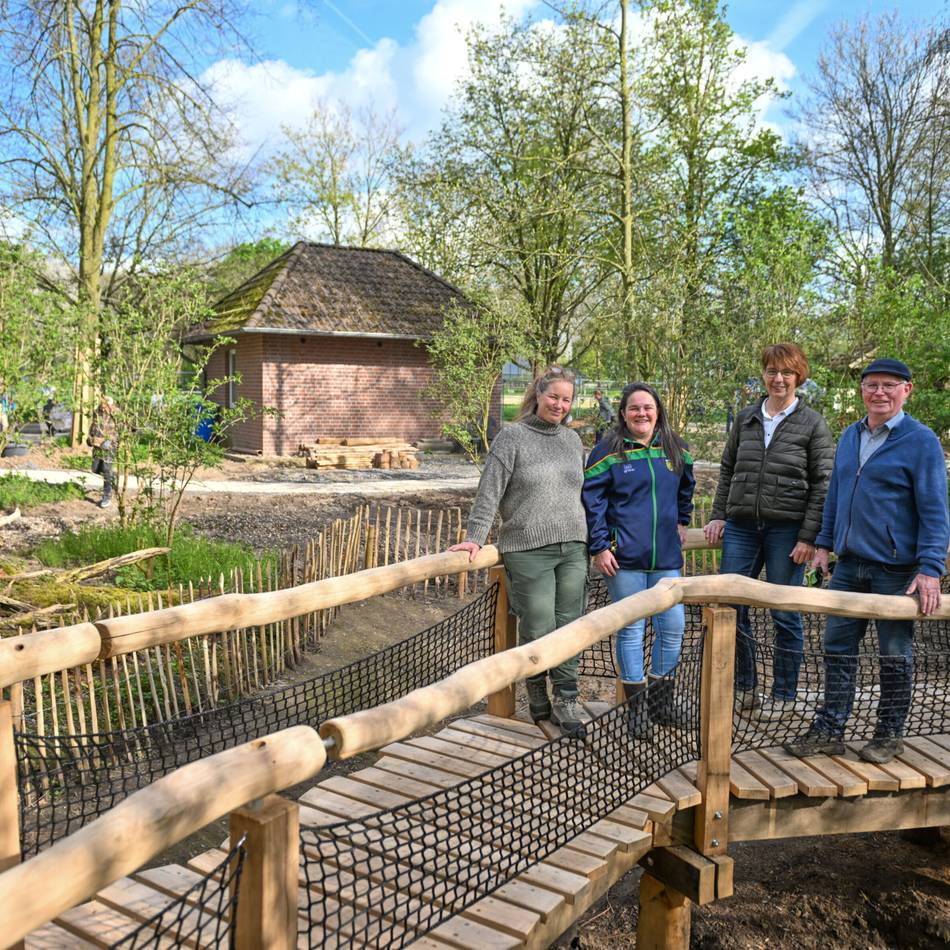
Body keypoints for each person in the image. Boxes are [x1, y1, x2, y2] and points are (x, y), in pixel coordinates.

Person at [785, 358, 949, 765]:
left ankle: (889, 734)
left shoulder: (921, 441)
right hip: (849, 565)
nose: (879, 392)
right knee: (837, 647)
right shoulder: (850, 436)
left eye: (889, 386)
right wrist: (824, 545)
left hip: (896, 571)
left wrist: (931, 568)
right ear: (862, 391)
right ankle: (830, 728)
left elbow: (934, 509)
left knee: (895, 653)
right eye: (872, 385)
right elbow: (835, 497)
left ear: (906, 390)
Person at [450, 366, 589, 734]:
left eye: (566, 399)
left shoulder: (573, 441)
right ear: (538, 395)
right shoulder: (511, 437)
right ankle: (536, 692)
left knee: (570, 625)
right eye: (553, 397)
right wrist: (476, 536)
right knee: (539, 624)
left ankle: (566, 699)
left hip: (573, 544)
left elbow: (582, 492)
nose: (559, 405)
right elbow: (490, 491)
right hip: (527, 546)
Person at [704, 343, 834, 720]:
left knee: (784, 613)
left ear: (798, 377)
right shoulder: (746, 418)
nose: (779, 379)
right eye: (772, 371)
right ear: (763, 374)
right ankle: (744, 687)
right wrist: (717, 515)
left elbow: (823, 483)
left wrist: (808, 537)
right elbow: (728, 471)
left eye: (787, 373)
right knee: (733, 607)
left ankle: (784, 693)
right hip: (743, 527)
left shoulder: (813, 424)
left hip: (787, 530)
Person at [582, 383, 695, 737]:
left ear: (657, 411)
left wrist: (683, 519)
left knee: (673, 627)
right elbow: (593, 503)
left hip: (665, 559)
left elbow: (686, 487)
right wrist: (600, 546)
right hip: (624, 559)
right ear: (623, 413)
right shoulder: (607, 453)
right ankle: (636, 711)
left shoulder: (677, 449)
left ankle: (662, 705)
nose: (641, 413)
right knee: (632, 630)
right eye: (634, 408)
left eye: (648, 407)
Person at [88, 395, 117, 509]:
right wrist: (90, 438)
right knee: (95, 469)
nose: (103, 406)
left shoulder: (116, 414)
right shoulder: (97, 412)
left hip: (109, 447)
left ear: (110, 404)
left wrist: (111, 442)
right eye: (102, 404)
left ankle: (107, 496)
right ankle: (112, 478)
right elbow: (93, 426)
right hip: (97, 445)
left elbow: (121, 431)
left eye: (105, 404)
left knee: (106, 471)